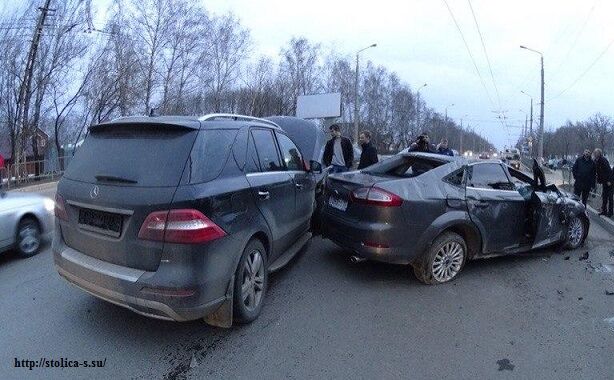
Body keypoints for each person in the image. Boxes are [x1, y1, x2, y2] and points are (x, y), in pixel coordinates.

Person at [593, 148, 613, 217]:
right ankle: (604, 211)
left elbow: (609, 171)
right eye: (594, 153)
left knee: (610, 197)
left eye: (597, 153)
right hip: (604, 182)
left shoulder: (603, 160)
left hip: (609, 182)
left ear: (599, 153)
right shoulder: (596, 161)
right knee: (604, 197)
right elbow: (598, 172)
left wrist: (609, 181)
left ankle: (610, 212)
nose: (595, 154)